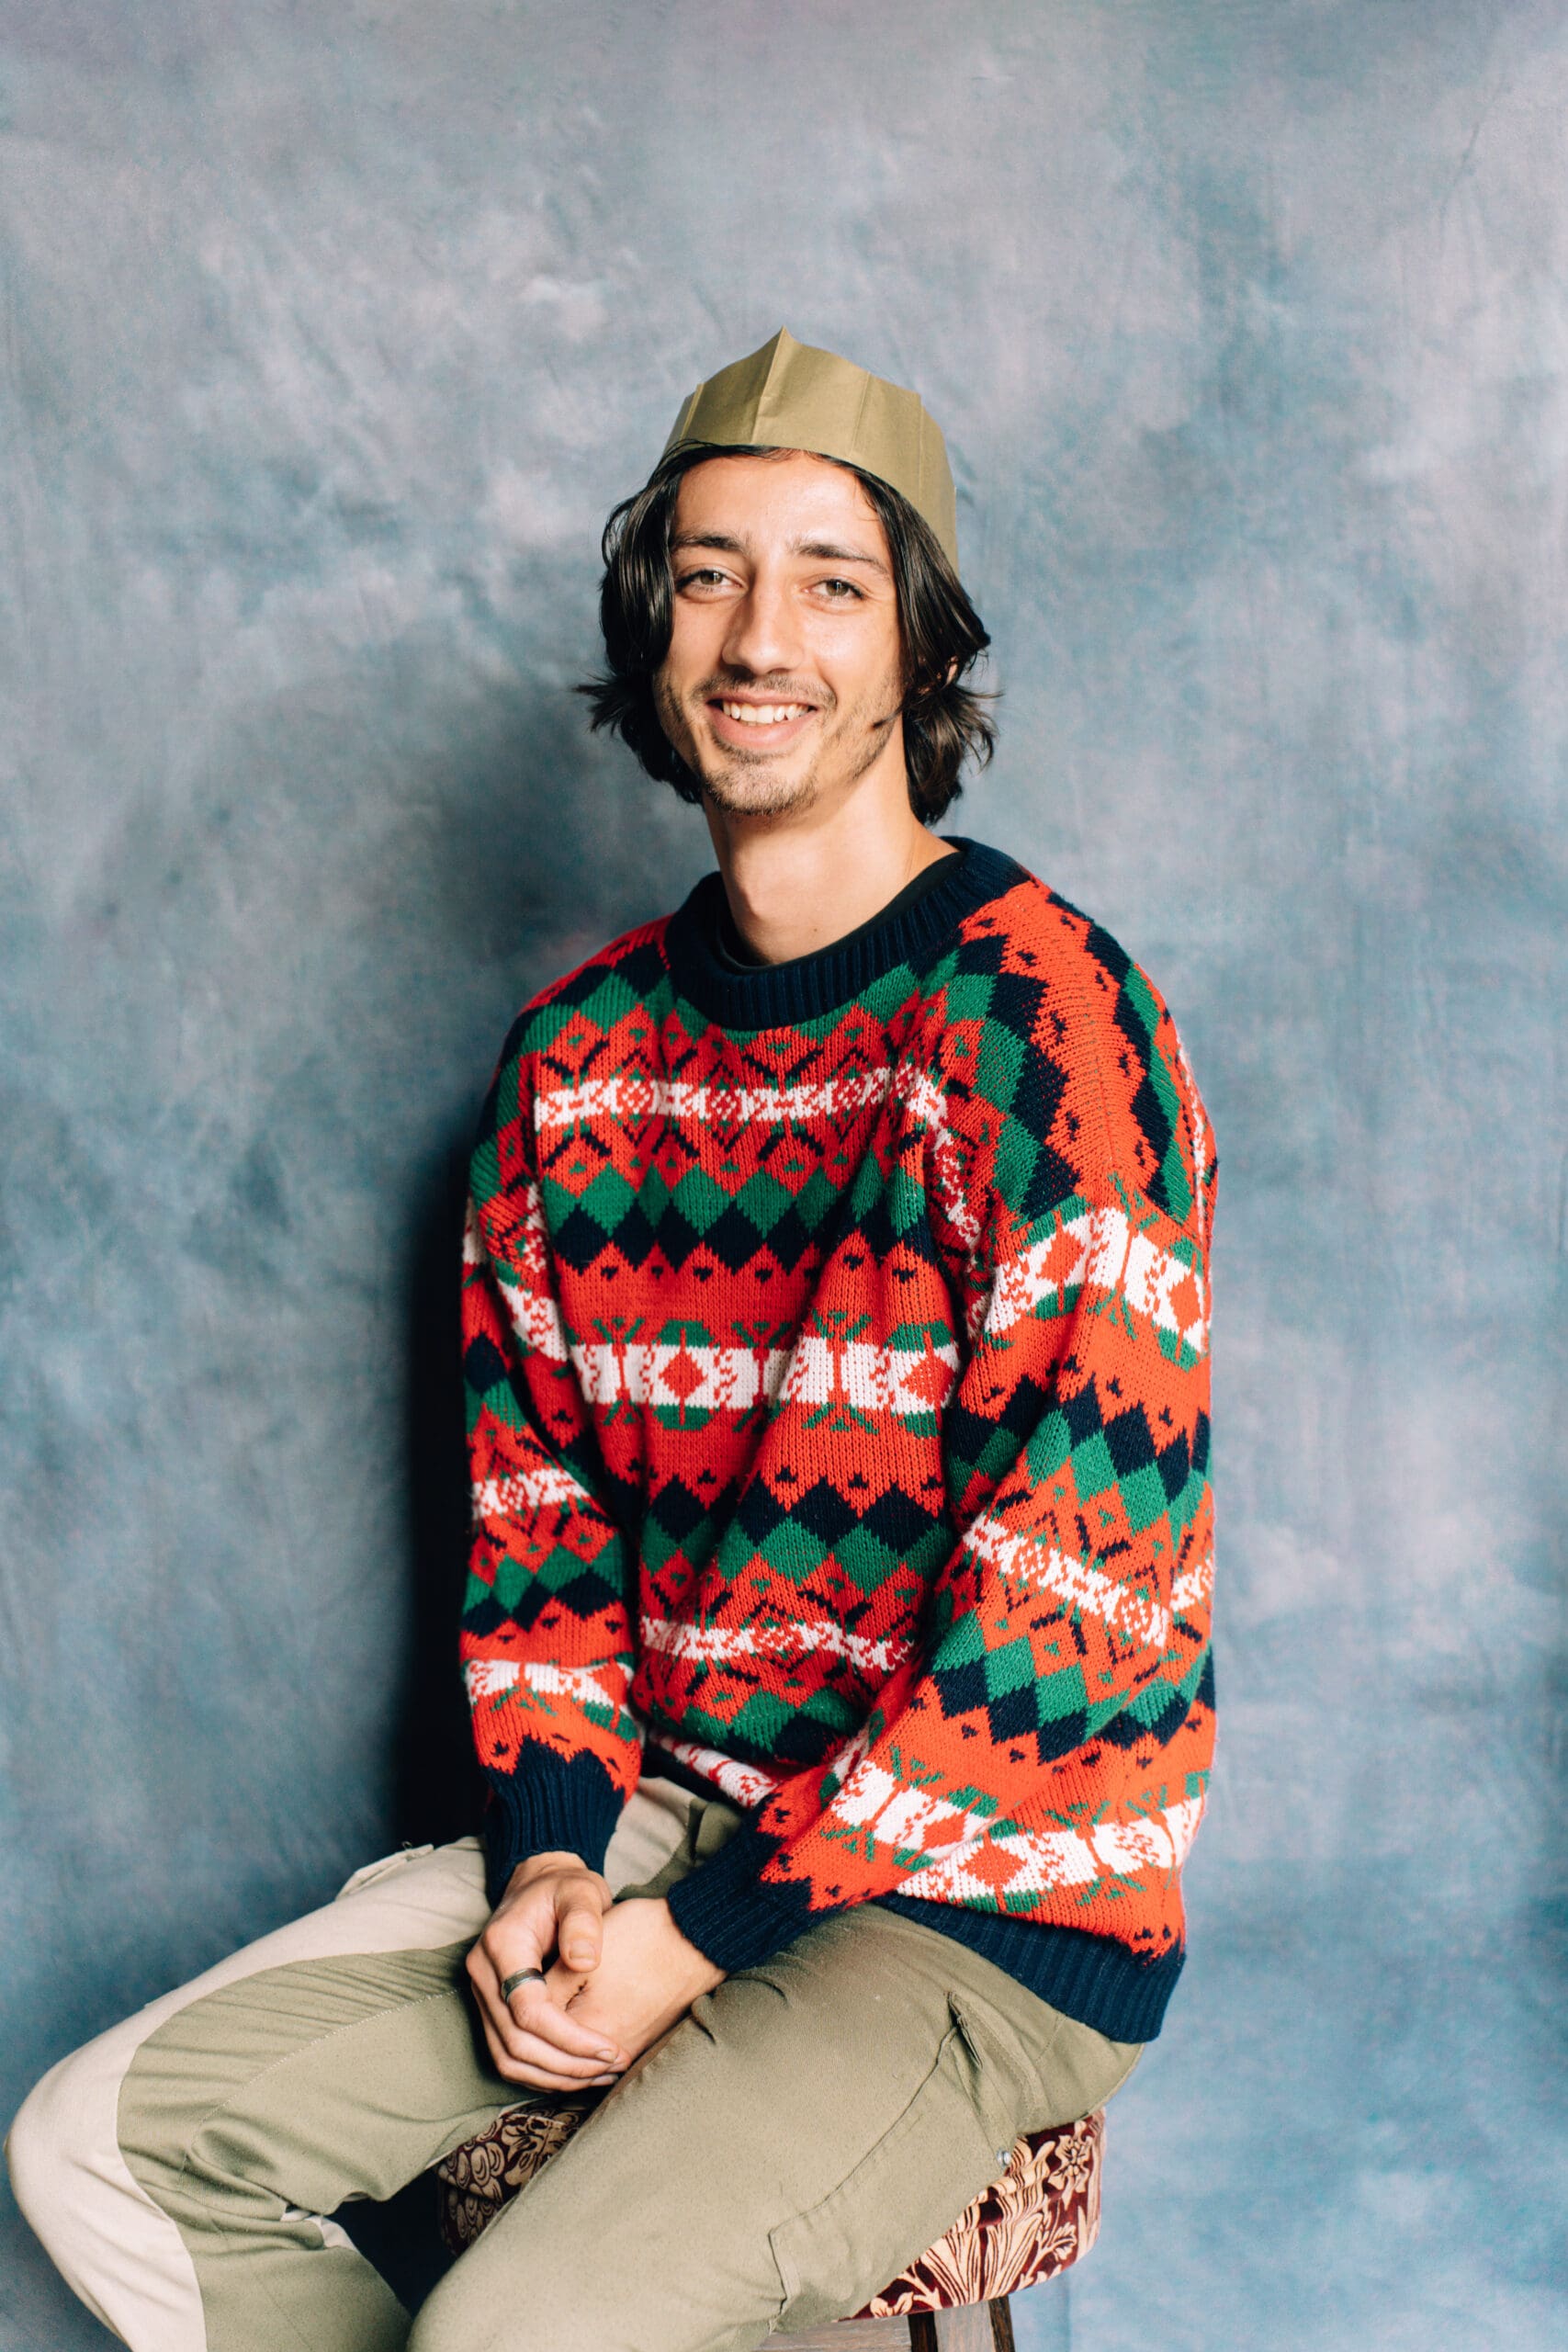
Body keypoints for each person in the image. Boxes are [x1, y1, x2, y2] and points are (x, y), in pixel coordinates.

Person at [7, 329, 1217, 2352]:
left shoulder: (1040, 1024)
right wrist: (563, 1858)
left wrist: (697, 1936)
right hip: (662, 1810)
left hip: (985, 1898)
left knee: (513, 2333)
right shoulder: (573, 1066)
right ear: (649, 625)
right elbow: (540, 1541)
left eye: (830, 579)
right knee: (100, 2147)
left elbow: (1061, 1622)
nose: (760, 634)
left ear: (917, 647)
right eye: (706, 571)